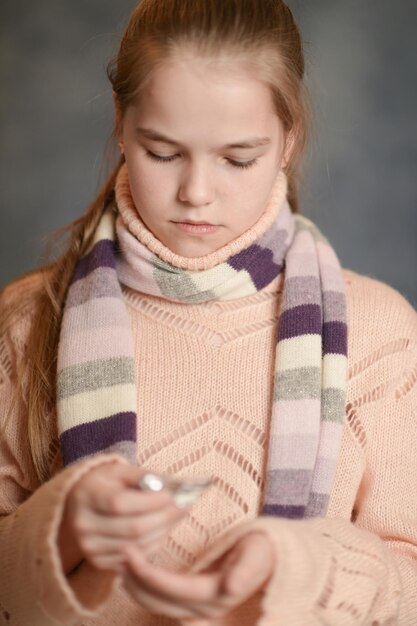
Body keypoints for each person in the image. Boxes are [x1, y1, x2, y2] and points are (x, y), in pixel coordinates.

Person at [0, 0, 416, 624]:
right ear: (120, 123)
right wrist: (57, 533)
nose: (196, 192)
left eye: (237, 158)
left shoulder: (379, 332)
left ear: (288, 140)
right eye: (163, 153)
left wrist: (300, 569)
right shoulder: (27, 321)